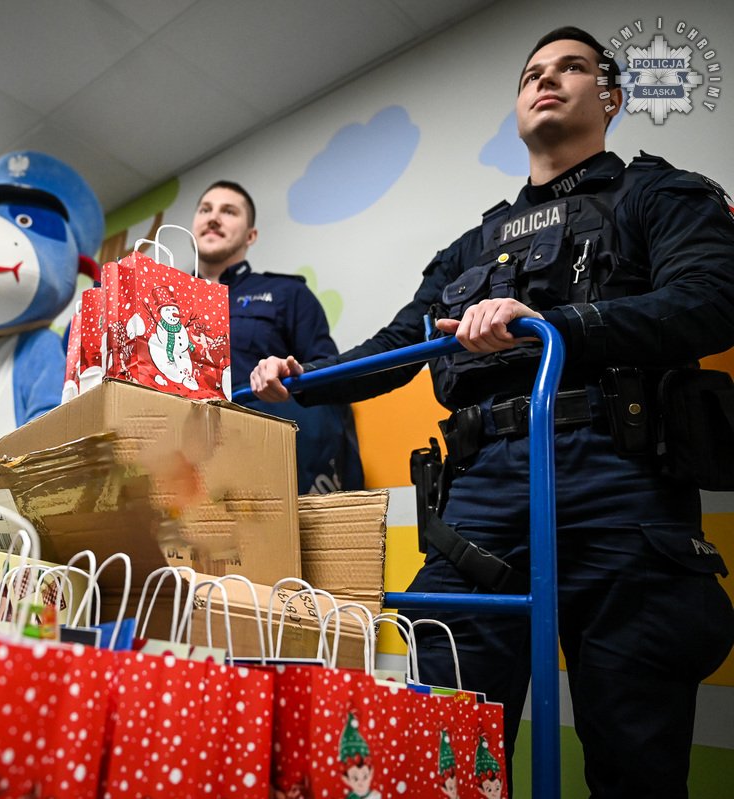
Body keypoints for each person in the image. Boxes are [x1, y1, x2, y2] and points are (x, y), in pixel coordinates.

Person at [250, 26, 734, 797]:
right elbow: (401, 342)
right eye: (533, 73)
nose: (549, 80)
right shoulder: (473, 243)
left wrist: (551, 327)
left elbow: (711, 301)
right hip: (480, 499)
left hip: (622, 484)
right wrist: (301, 376)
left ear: (609, 98)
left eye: (573, 68)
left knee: (635, 748)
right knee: (442, 736)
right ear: (518, 107)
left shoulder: (660, 194)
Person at [192, 180, 363, 492]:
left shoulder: (288, 293)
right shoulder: (163, 303)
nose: (213, 218)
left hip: (266, 466)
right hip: (183, 464)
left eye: (229, 211)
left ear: (250, 235)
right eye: (205, 210)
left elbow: (326, 385)